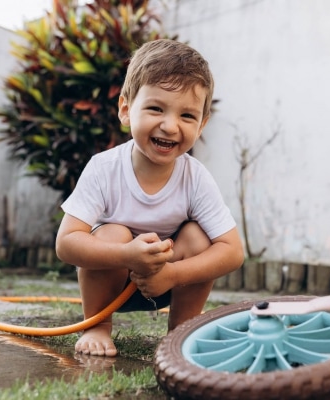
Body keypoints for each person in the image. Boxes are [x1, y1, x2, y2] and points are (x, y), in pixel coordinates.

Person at [55, 39, 244, 357]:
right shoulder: (104, 168)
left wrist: (172, 274)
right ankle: (98, 327)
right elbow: (66, 244)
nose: (170, 126)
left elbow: (233, 252)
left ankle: (180, 331)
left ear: (201, 126)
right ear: (126, 110)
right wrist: (126, 255)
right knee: (112, 232)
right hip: (113, 283)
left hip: (169, 281)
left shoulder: (195, 177)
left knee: (199, 236)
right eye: (156, 108)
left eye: (187, 115)